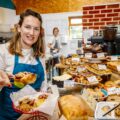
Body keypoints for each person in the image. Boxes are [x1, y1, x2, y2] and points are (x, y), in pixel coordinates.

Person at [0, 9, 45, 120]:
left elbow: (44, 84)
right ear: (19, 28)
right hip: (8, 115)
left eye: (36, 29)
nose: (31, 33)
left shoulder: (40, 54)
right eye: (27, 27)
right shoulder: (4, 51)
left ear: (39, 32)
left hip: (33, 115)